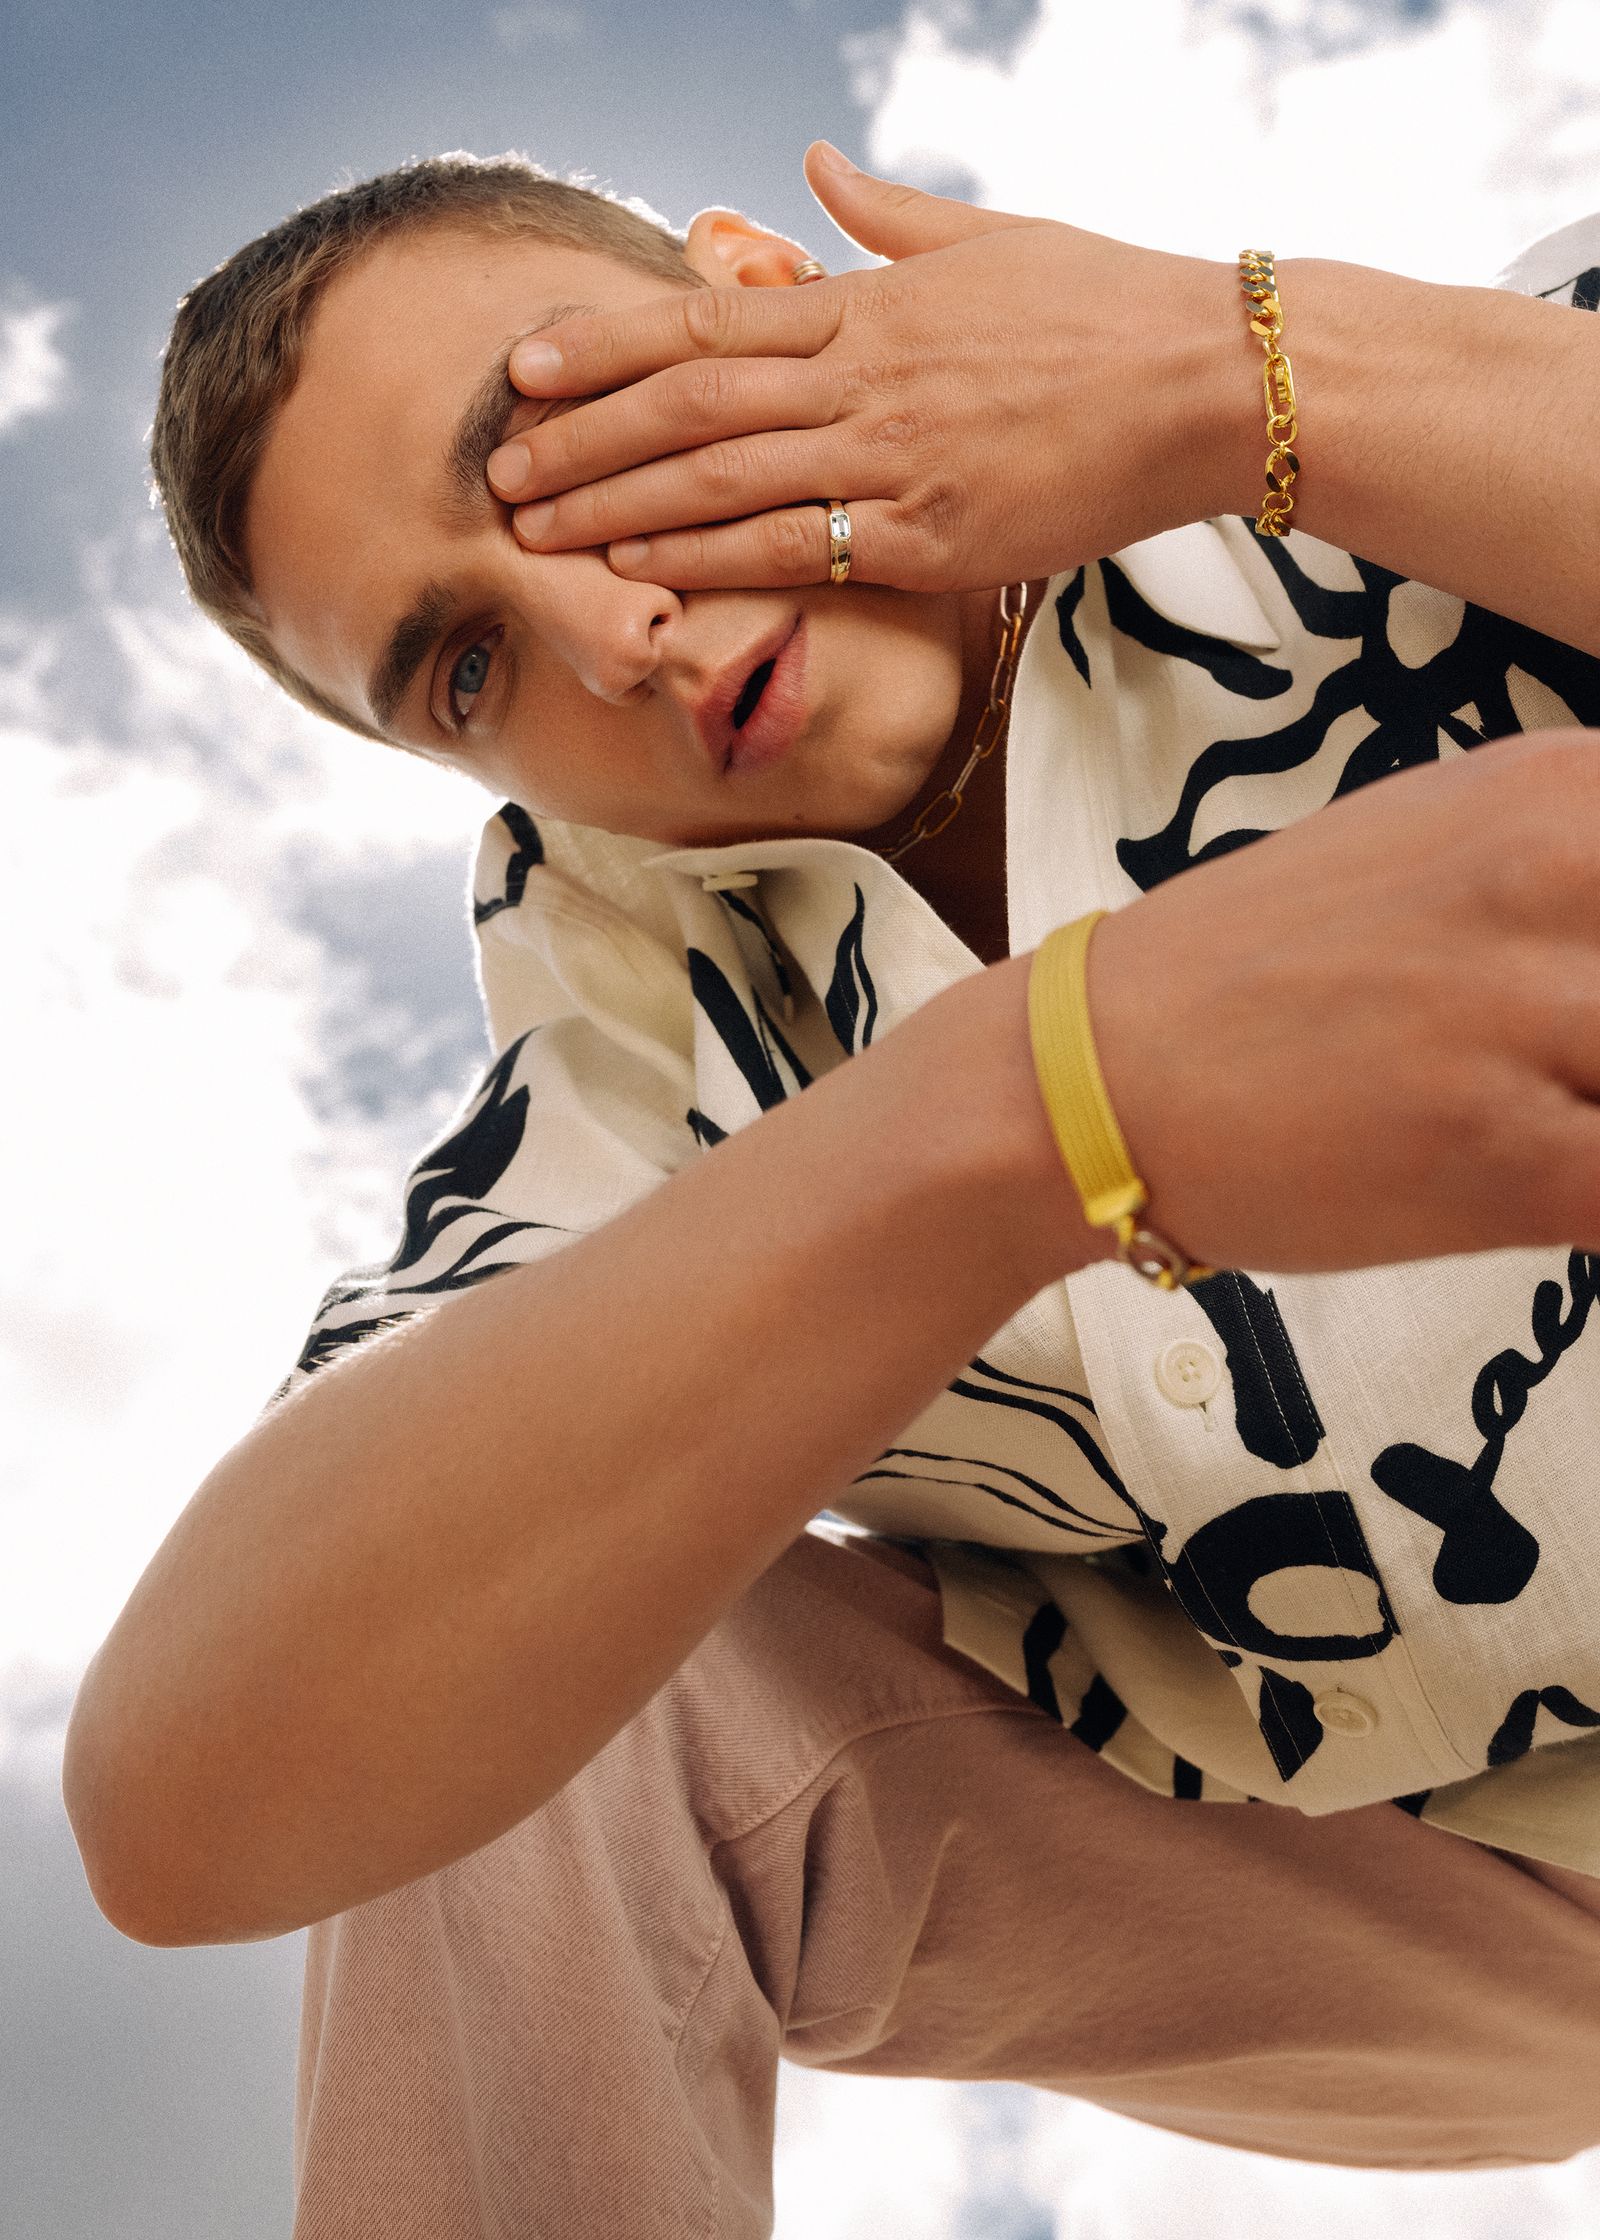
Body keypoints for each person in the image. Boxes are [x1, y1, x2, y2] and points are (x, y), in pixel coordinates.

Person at [61, 150, 1600, 2229]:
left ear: (753, 286)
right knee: (474, 1636)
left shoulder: (1384, 428)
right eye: (463, 669)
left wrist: (1239, 373)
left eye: (566, 457)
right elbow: (185, 1808)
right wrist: (1035, 1105)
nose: (609, 630)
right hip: (1460, 1913)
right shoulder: (637, 1029)